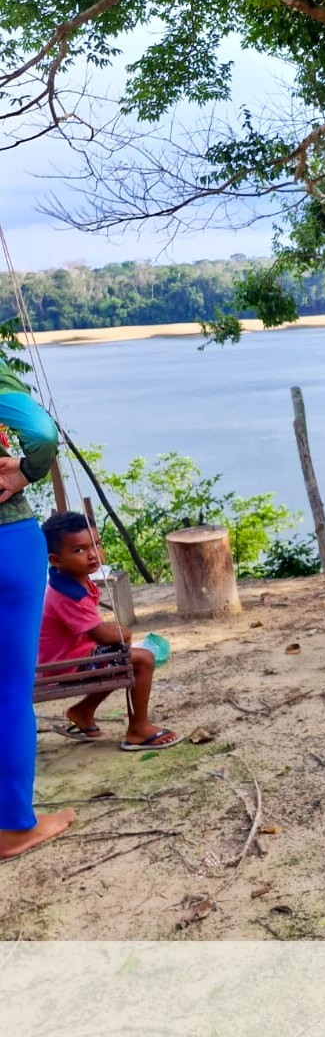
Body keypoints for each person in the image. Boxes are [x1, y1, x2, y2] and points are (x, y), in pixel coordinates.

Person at [0, 354, 77, 859]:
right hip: (6, 540)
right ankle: (13, 829)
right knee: (8, 692)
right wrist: (26, 470)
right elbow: (42, 433)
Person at [39, 511, 181, 751]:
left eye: (96, 544)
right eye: (79, 550)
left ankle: (83, 711)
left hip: (70, 657)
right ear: (56, 559)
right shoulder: (69, 595)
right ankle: (138, 730)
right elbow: (103, 636)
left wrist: (117, 636)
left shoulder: (70, 581)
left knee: (120, 656)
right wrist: (124, 633)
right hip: (64, 666)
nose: (93, 554)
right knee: (143, 660)